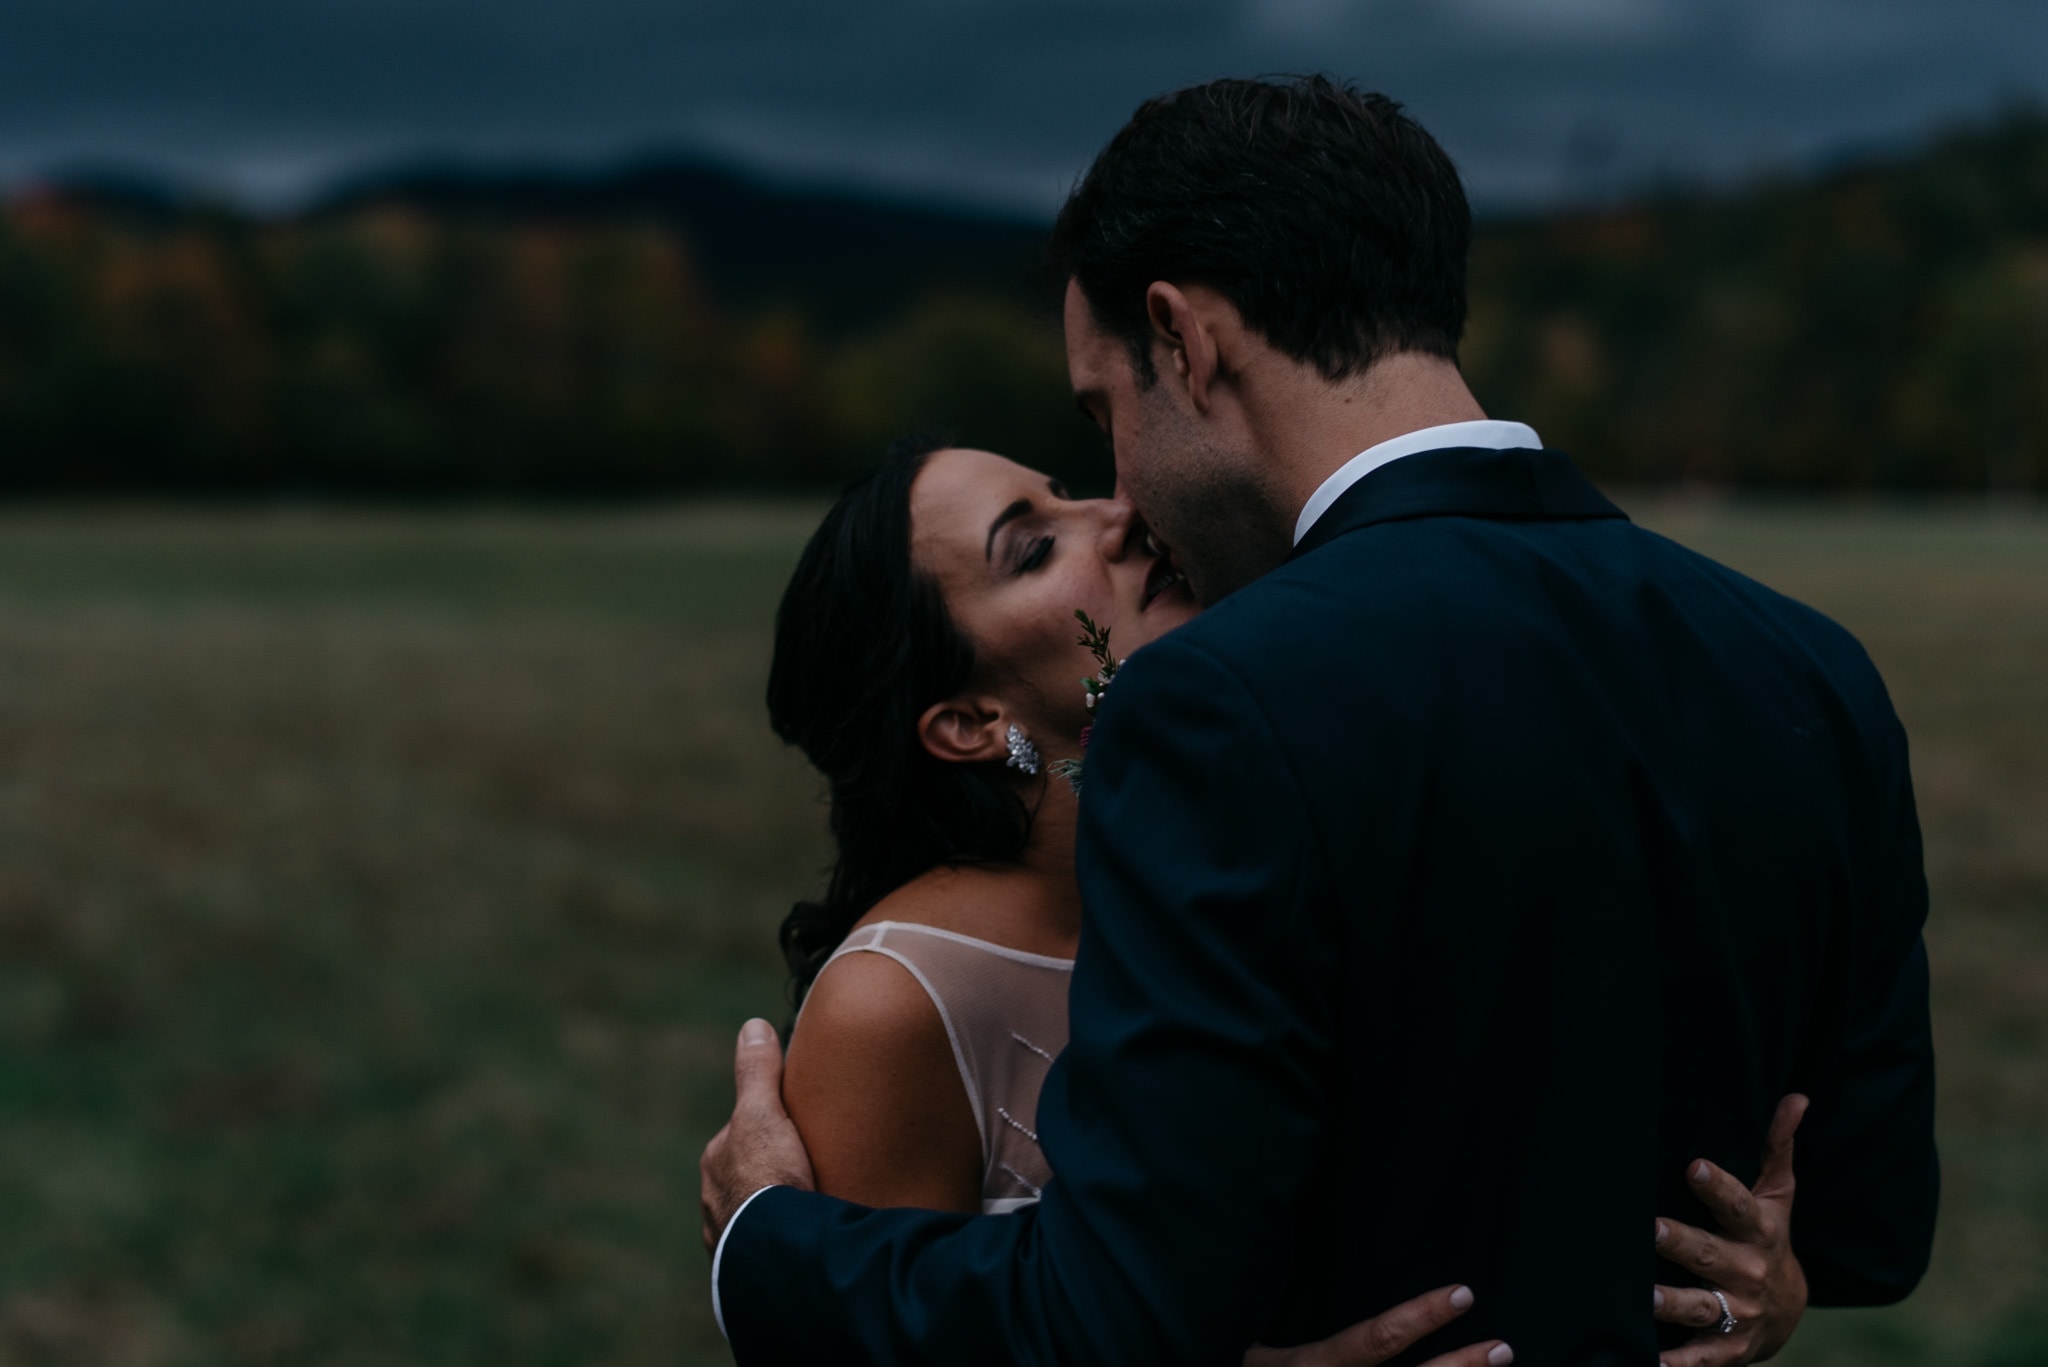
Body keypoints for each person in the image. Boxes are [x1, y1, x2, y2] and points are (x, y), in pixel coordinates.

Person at [702, 76, 1938, 1366]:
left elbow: (1112, 1313)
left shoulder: (1225, 702)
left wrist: (771, 1244)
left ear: (1183, 340)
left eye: (1100, 411)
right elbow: (1862, 1225)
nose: (1120, 492)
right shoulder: (1810, 666)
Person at [755, 432, 1813, 1367]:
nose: (1119, 514)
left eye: (1070, 489)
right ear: (969, 721)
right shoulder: (893, 1004)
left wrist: (1752, 1281)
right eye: (1031, 546)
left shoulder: (1271, 855)